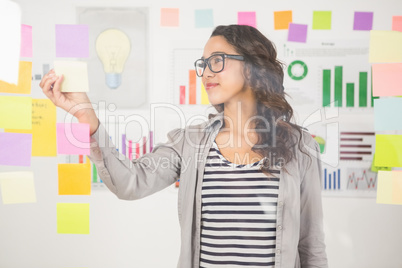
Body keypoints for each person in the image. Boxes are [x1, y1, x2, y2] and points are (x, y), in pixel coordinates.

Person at [40, 24, 327, 268]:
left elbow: (310, 244)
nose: (205, 73)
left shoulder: (299, 147)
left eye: (217, 60)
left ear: (252, 67)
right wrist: (85, 115)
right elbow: (129, 183)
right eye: (203, 64)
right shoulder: (188, 142)